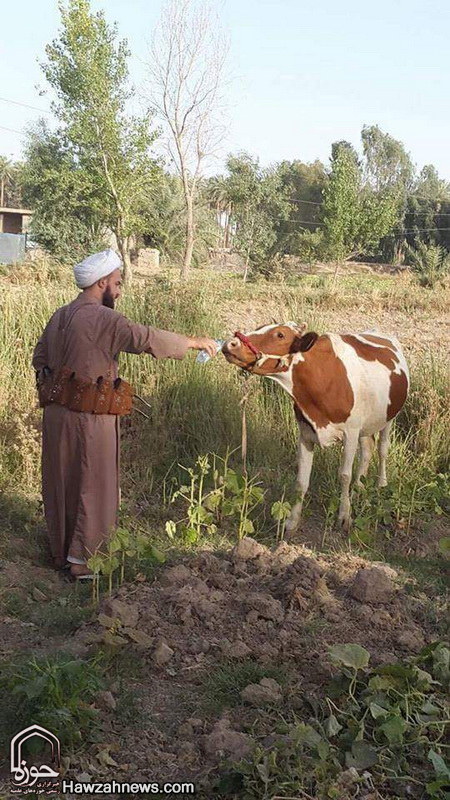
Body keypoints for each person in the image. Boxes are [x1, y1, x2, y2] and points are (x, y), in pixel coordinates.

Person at [32, 249, 217, 579]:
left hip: (56, 416)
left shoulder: (59, 316)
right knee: (93, 484)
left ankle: (62, 554)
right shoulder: (104, 318)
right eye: (117, 284)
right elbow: (145, 338)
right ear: (101, 283)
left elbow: (40, 359)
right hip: (90, 419)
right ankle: (84, 563)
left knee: (62, 482)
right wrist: (193, 342)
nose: (118, 291)